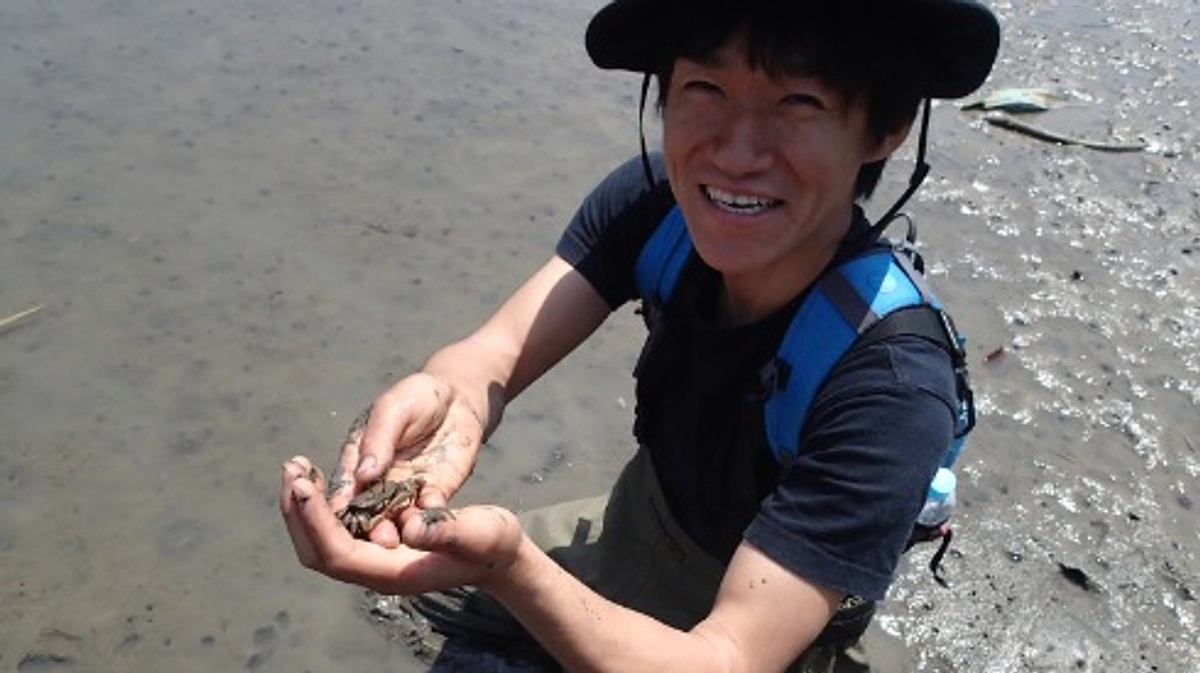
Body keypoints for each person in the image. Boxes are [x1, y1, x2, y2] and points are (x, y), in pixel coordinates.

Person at [280, 0, 1000, 670]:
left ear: (886, 128)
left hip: (763, 630)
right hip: (637, 523)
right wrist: (444, 398)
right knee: (440, 614)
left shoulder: (893, 387)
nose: (738, 152)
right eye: (705, 89)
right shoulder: (657, 211)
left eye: (799, 101)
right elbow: (492, 356)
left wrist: (512, 568)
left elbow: (726, 657)